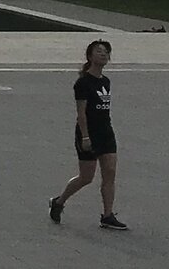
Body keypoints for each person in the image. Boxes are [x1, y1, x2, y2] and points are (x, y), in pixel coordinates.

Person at [50, 38, 125, 230]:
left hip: (106, 132)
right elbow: (81, 113)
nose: (103, 54)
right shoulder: (83, 83)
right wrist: (85, 137)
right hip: (88, 133)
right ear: (90, 56)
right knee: (86, 177)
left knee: (110, 173)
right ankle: (59, 201)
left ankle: (107, 215)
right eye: (99, 51)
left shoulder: (106, 81)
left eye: (106, 51)